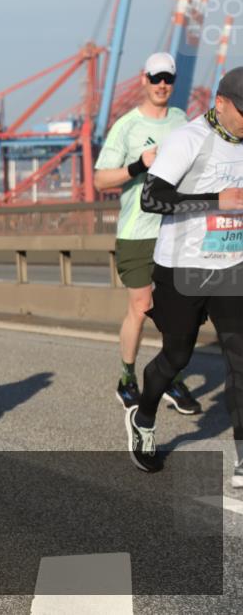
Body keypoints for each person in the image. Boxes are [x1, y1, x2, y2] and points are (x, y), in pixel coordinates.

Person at [125, 66, 243, 489]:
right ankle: (144, 416)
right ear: (221, 103)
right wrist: (216, 200)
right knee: (177, 357)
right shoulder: (189, 140)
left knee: (239, 360)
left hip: (231, 267)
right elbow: (151, 197)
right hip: (181, 269)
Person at [94, 52, 199, 414]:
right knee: (141, 307)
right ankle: (127, 377)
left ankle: (170, 375)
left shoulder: (182, 121)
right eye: (156, 78)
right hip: (138, 232)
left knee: (179, 310)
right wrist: (140, 165)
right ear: (144, 79)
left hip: (176, 229)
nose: (162, 85)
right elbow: (100, 179)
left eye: (168, 78)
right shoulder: (127, 126)